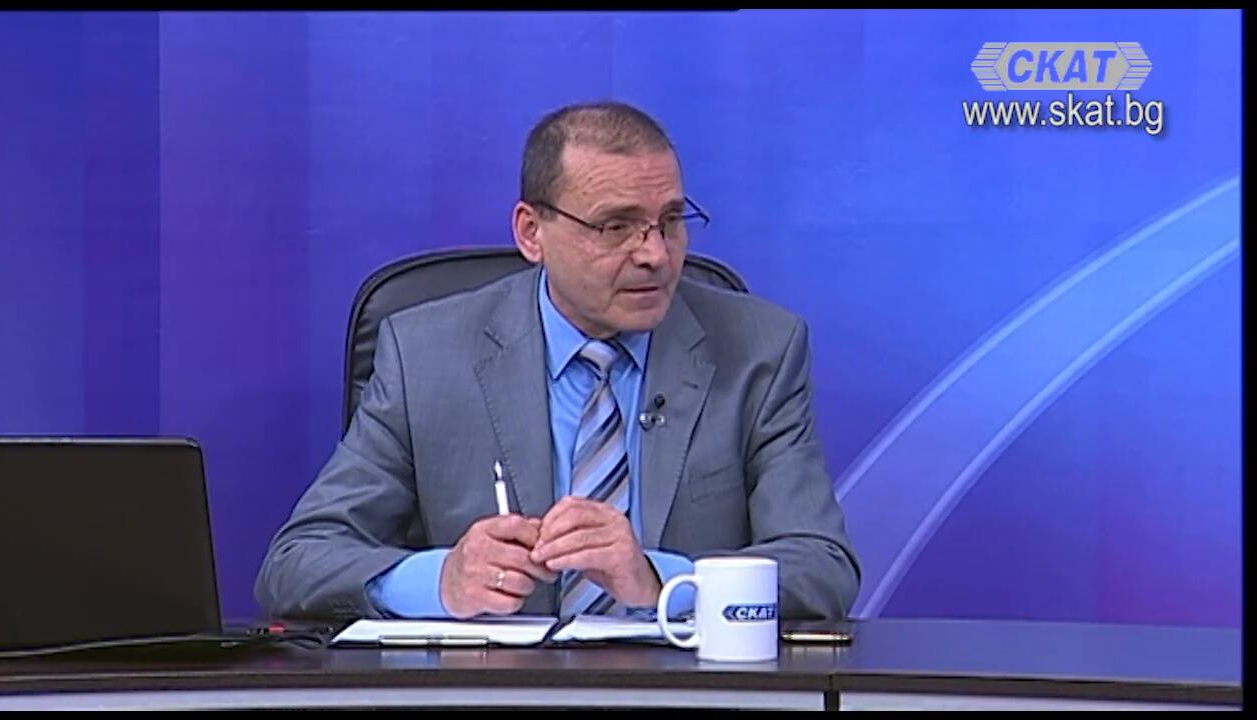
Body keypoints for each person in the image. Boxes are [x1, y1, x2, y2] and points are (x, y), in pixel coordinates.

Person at [255, 101, 860, 622]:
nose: (655, 254)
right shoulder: (424, 355)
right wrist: (441, 580)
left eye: (671, 221)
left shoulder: (759, 352)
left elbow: (822, 567)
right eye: (617, 225)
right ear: (531, 233)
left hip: (686, 694)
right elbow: (297, 562)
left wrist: (662, 581)